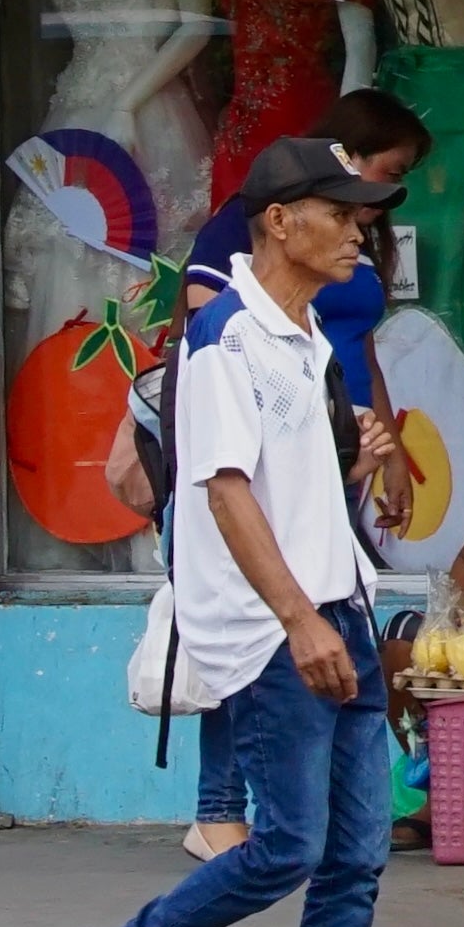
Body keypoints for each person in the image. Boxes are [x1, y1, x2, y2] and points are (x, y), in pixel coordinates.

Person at [57, 136, 424, 927]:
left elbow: (281, 482)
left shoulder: (304, 339)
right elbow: (222, 493)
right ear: (278, 221)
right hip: (277, 633)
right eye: (338, 214)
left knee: (357, 851)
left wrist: (348, 476)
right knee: (289, 846)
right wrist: (301, 620)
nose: (358, 230)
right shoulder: (223, 340)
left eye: (360, 214)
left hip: (336, 606)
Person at [144, 87, 433, 860]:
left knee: (312, 640)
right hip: (248, 447)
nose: (358, 220)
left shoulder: (339, 254)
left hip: (325, 447)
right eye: (383, 167)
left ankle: (316, 834)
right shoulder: (247, 298)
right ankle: (216, 813)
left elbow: (353, 349)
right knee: (241, 627)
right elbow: (208, 327)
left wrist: (384, 446)